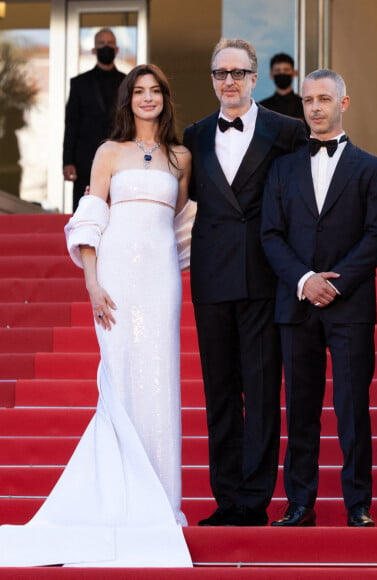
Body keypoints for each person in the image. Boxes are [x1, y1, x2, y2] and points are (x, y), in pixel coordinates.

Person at [0, 64, 195, 567]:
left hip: (162, 282)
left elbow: (181, 223)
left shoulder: (181, 156)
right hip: (114, 281)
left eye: (155, 91)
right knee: (121, 380)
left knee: (160, 384)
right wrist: (92, 282)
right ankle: (116, 498)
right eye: (139, 92)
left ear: (165, 99)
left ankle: (158, 504)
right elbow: (92, 216)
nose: (147, 98)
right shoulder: (108, 152)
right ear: (127, 100)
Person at [182, 38, 307, 527]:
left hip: (264, 275)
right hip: (211, 277)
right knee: (220, 391)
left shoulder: (287, 130)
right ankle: (227, 497)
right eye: (220, 73)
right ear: (212, 79)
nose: (228, 81)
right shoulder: (192, 135)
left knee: (259, 390)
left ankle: (254, 500)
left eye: (237, 72)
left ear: (254, 77)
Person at [261, 69, 377, 528]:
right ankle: (300, 502)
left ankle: (358, 504)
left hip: (350, 306)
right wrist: (304, 279)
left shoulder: (373, 168)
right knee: (300, 408)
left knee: (353, 408)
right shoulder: (281, 168)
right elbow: (271, 234)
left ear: (344, 103)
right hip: (295, 304)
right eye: (308, 100)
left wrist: (336, 283)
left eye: (323, 99)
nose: (314, 107)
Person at [63, 27, 126, 211]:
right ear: (94, 50)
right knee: (84, 212)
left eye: (110, 44)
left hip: (120, 159)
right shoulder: (79, 83)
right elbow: (71, 123)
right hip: (85, 161)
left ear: (116, 50)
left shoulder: (127, 82)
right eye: (101, 44)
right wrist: (68, 161)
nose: (106, 47)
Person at [259, 52, 304, 119]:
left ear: (294, 73)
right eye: (277, 70)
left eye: (286, 70)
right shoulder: (262, 108)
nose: (282, 73)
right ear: (271, 75)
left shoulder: (304, 106)